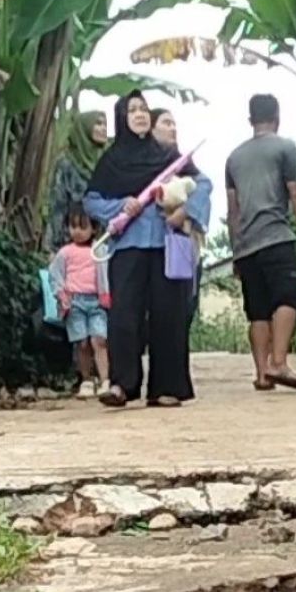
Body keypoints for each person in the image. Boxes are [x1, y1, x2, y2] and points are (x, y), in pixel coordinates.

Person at [84, 91, 198, 408]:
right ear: (122, 118)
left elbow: (200, 185)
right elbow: (91, 200)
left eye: (143, 109)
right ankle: (122, 384)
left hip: (167, 241)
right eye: (132, 110)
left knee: (169, 313)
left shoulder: (168, 155)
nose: (139, 115)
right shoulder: (112, 160)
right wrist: (122, 205)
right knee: (124, 316)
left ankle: (167, 386)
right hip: (128, 245)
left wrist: (183, 213)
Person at [225, 94, 296, 391]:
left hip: (246, 245)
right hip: (276, 237)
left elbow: (233, 210)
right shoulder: (285, 147)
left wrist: (235, 250)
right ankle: (278, 363)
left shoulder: (234, 157)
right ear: (277, 117)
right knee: (289, 297)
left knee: (257, 308)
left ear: (250, 120)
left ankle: (261, 374)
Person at [151, 108, 212, 330]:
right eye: (166, 123)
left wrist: (185, 211)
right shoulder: (138, 162)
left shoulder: (182, 162)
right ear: (151, 127)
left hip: (180, 244)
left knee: (183, 307)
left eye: (174, 123)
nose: (173, 128)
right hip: (150, 246)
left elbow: (204, 185)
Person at [48, 206, 111, 398]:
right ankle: (86, 380)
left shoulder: (101, 250)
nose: (77, 231)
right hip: (74, 302)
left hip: (96, 301)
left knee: (99, 340)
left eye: (82, 226)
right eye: (72, 226)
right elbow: (55, 275)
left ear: (93, 228)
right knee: (81, 343)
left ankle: (105, 379)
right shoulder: (64, 253)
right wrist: (61, 295)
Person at [45, 110, 107, 252]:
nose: (103, 129)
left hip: (101, 244)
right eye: (98, 124)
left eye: (105, 124)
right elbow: (57, 206)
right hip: (71, 243)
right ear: (84, 128)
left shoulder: (105, 163)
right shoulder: (67, 163)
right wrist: (55, 248)